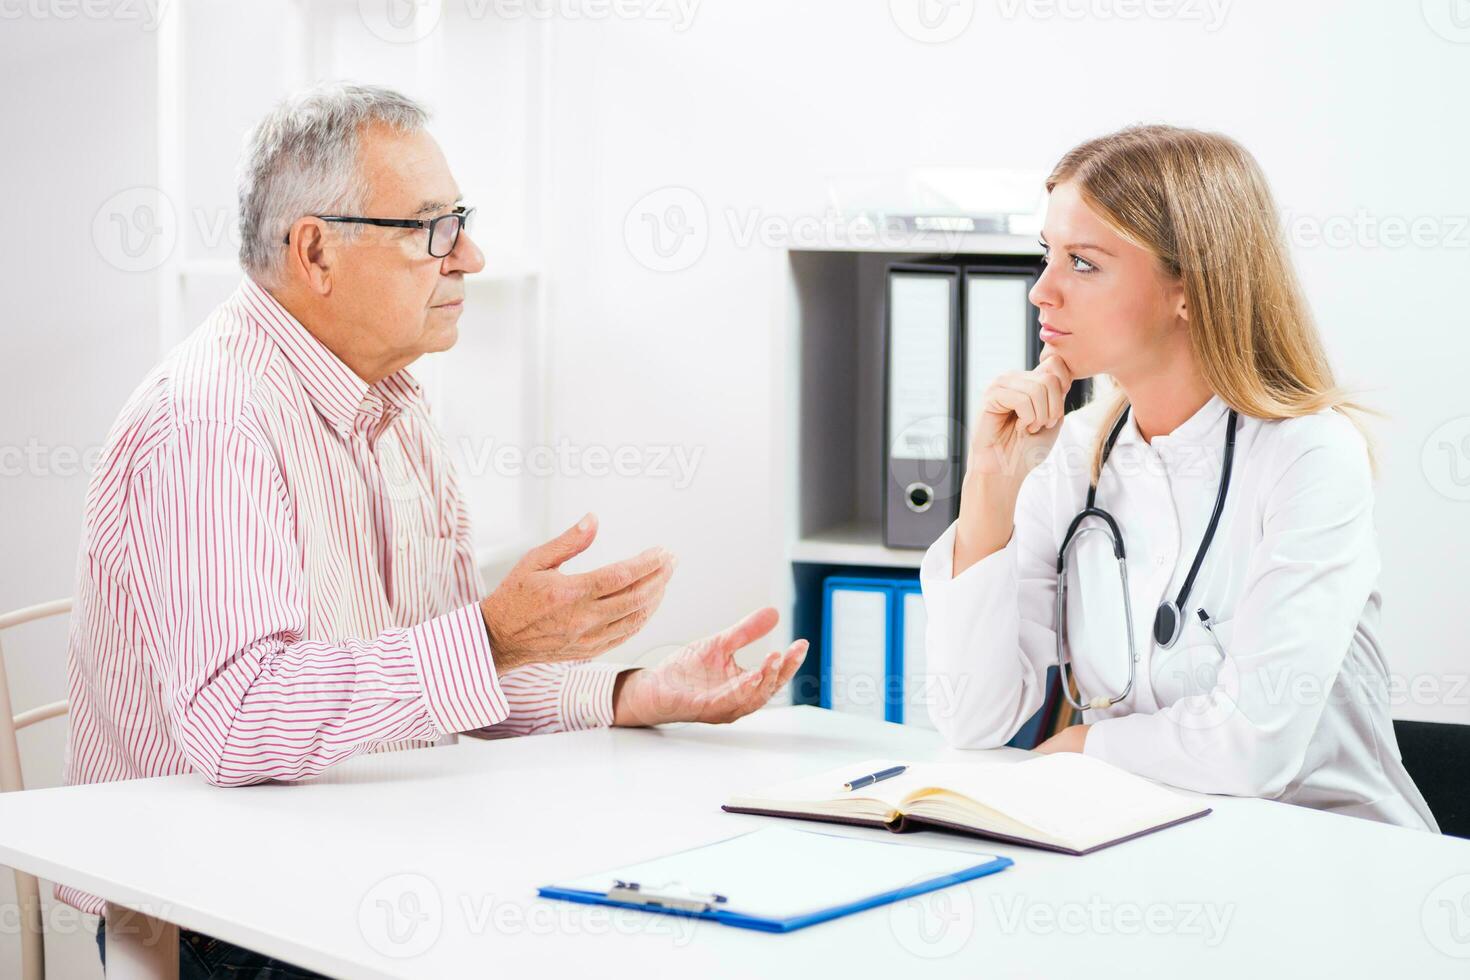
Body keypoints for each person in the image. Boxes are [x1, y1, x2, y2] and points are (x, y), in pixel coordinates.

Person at [67, 82, 807, 975]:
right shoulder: (213, 421)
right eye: (431, 229)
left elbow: (434, 679)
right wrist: (491, 637)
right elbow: (238, 722)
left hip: (357, 857)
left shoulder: (393, 404)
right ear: (316, 252)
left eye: (461, 221)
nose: (472, 257)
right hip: (216, 910)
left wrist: (630, 692)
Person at [920, 124, 1437, 833]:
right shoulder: (1072, 454)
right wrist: (990, 488)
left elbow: (1254, 745)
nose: (1042, 291)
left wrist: (1082, 746)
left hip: (1336, 855)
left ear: (1189, 287)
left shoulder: (1310, 455)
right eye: (1048, 256)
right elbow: (971, 718)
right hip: (1150, 843)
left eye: (1083, 263)